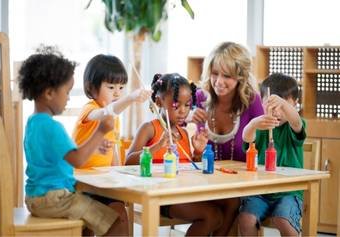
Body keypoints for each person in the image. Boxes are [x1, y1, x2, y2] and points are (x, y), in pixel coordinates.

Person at [18, 46, 128, 236]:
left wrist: (95, 146)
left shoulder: (33, 122)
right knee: (115, 222)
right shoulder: (52, 127)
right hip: (54, 198)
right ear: (49, 93)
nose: (69, 99)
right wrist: (101, 131)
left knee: (92, 214)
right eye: (67, 92)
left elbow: (62, 156)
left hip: (36, 197)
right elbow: (77, 160)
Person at [125, 73, 222, 236]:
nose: (183, 112)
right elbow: (128, 162)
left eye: (187, 105)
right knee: (211, 216)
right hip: (158, 197)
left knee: (220, 212)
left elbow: (188, 169)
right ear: (158, 102)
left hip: (181, 194)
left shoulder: (183, 133)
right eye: (176, 106)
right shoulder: (150, 128)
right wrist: (158, 146)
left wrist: (198, 152)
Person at [190, 41, 264, 235]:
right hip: (204, 182)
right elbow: (170, 126)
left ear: (241, 77)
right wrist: (188, 118)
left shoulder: (252, 102)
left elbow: (262, 149)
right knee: (217, 208)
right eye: (215, 73)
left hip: (241, 186)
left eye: (227, 76)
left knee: (232, 201)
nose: (219, 81)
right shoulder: (199, 98)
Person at [239, 73, 306, 237]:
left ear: (294, 104)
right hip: (260, 192)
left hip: (289, 192)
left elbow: (296, 122)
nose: (276, 111)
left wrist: (282, 103)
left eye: (283, 106)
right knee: (245, 219)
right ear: (261, 102)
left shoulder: (293, 125)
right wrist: (253, 124)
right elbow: (247, 139)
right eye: (270, 104)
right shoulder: (261, 124)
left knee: (283, 220)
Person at [72, 54, 151, 168]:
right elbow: (105, 113)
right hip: (80, 176)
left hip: (102, 176)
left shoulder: (115, 117)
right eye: (111, 87)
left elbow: (113, 152)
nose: (117, 93)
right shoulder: (89, 109)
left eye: (121, 88)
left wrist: (119, 173)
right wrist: (130, 98)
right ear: (91, 87)